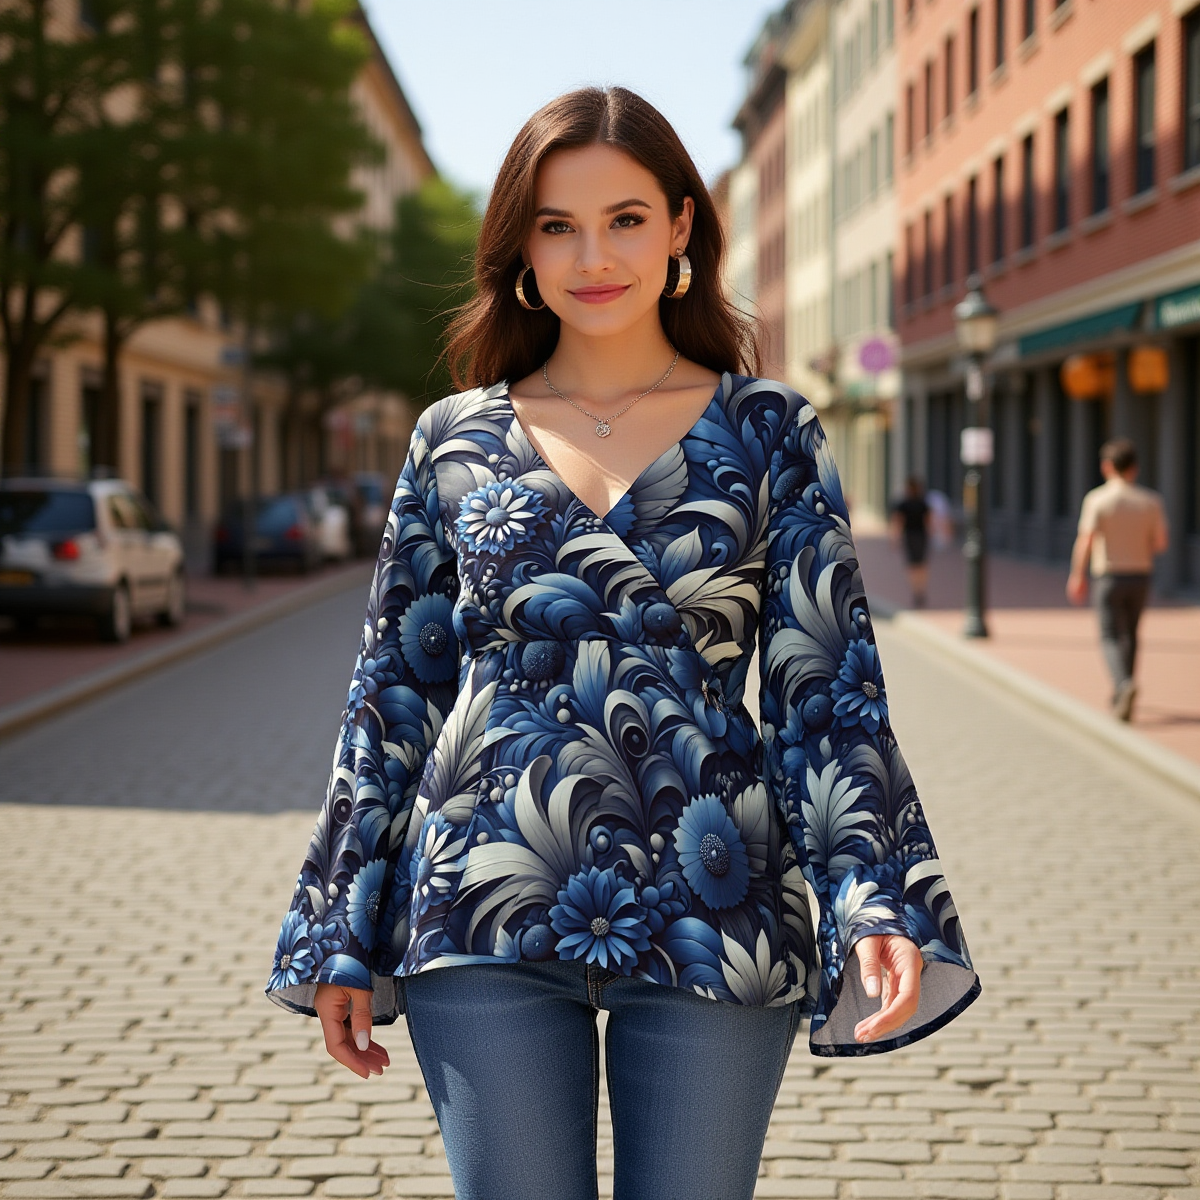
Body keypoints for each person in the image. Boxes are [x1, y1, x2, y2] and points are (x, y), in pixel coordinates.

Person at [265, 87, 981, 1200]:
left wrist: (874, 893)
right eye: (557, 225)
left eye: (627, 219)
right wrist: (343, 925)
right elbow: (393, 690)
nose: (592, 254)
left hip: (717, 897)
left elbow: (822, 687)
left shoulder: (768, 429)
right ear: (520, 248)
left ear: (683, 227)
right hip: (482, 902)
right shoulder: (453, 438)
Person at [1067, 436, 1169, 722]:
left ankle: (1122, 684)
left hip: (1109, 575)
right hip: (1141, 575)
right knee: (1132, 634)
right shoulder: (1151, 501)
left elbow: (1085, 540)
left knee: (1110, 635)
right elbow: (1161, 542)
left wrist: (1077, 575)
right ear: (1134, 468)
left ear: (1107, 467)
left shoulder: (1097, 499)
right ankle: (1125, 689)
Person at [890, 476, 932, 608]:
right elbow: (928, 522)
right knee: (922, 564)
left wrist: (895, 539)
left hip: (909, 536)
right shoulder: (923, 503)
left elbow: (898, 523)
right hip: (921, 536)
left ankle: (915, 590)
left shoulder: (903, 504)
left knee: (912, 565)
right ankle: (921, 590)